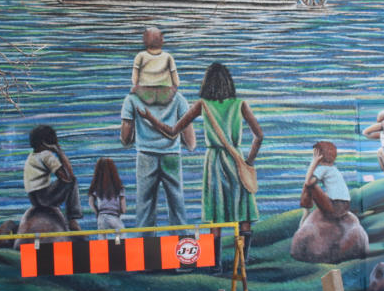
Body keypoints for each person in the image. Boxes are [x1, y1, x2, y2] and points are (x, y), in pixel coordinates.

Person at [138, 62, 263, 264]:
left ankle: (215, 265)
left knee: (216, 215)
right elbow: (259, 136)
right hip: (237, 160)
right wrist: (248, 161)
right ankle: (243, 262)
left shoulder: (202, 105)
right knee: (244, 213)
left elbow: (172, 132)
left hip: (214, 163)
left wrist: (150, 118)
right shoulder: (240, 104)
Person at [121, 75, 195, 231]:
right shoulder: (179, 99)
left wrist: (140, 134)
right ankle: (181, 244)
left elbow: (125, 139)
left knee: (144, 206)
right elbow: (191, 143)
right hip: (172, 155)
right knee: (177, 203)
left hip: (145, 156)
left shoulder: (132, 99)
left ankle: (144, 246)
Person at [23, 125, 83, 231]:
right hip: (44, 198)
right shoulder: (46, 155)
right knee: (72, 181)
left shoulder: (32, 156)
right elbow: (68, 177)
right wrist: (59, 152)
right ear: (46, 142)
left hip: (33, 198)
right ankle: (72, 218)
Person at [299, 141, 350, 225]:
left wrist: (314, 162)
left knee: (309, 186)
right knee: (313, 185)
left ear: (320, 155)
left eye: (315, 154)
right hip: (344, 206)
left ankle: (306, 211)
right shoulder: (333, 169)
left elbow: (308, 182)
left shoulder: (323, 169)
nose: (313, 156)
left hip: (335, 208)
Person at [131, 26, 180, 106]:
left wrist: (135, 86)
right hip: (165, 94)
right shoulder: (168, 57)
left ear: (144, 41)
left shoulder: (140, 56)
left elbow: (135, 77)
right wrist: (175, 86)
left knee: (134, 91)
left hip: (145, 94)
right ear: (162, 41)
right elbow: (175, 77)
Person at [88, 157, 126, 237]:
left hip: (101, 217)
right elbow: (124, 209)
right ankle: (117, 246)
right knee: (119, 234)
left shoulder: (96, 186)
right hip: (114, 217)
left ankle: (103, 248)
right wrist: (120, 211)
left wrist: (97, 212)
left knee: (102, 238)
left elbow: (91, 203)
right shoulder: (118, 187)